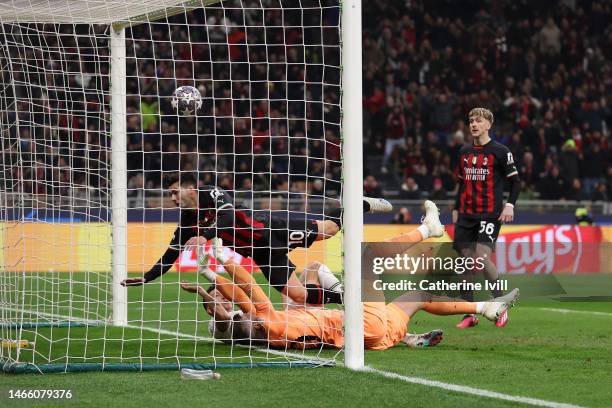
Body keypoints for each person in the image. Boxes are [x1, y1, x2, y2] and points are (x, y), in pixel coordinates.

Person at [183, 205, 518, 350]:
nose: (241, 309)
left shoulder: (272, 329)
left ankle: (486, 310)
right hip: (361, 327)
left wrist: (207, 281)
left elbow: (238, 301)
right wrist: (216, 256)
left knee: (417, 296)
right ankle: (427, 229)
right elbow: (248, 290)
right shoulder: (269, 324)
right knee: (365, 257)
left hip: (374, 335)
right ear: (250, 323)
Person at [121, 172, 393, 306]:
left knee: (330, 230)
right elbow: (171, 254)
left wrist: (204, 235)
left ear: (191, 188)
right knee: (297, 294)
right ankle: (346, 298)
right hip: (261, 253)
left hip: (269, 229)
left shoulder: (211, 194)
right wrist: (147, 276)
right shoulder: (186, 223)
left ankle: (360, 204)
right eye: (170, 194)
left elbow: (226, 217)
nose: (173, 198)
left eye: (175, 192)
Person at [452, 108, 520, 329]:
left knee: (480, 258)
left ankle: (500, 304)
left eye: (479, 120)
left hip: (489, 213)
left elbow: (515, 182)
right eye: (471, 120)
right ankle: (469, 313)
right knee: (463, 262)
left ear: (488, 125)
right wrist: (455, 207)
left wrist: (509, 205)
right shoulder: (463, 152)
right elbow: (461, 183)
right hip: (466, 214)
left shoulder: (500, 151)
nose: (473, 123)